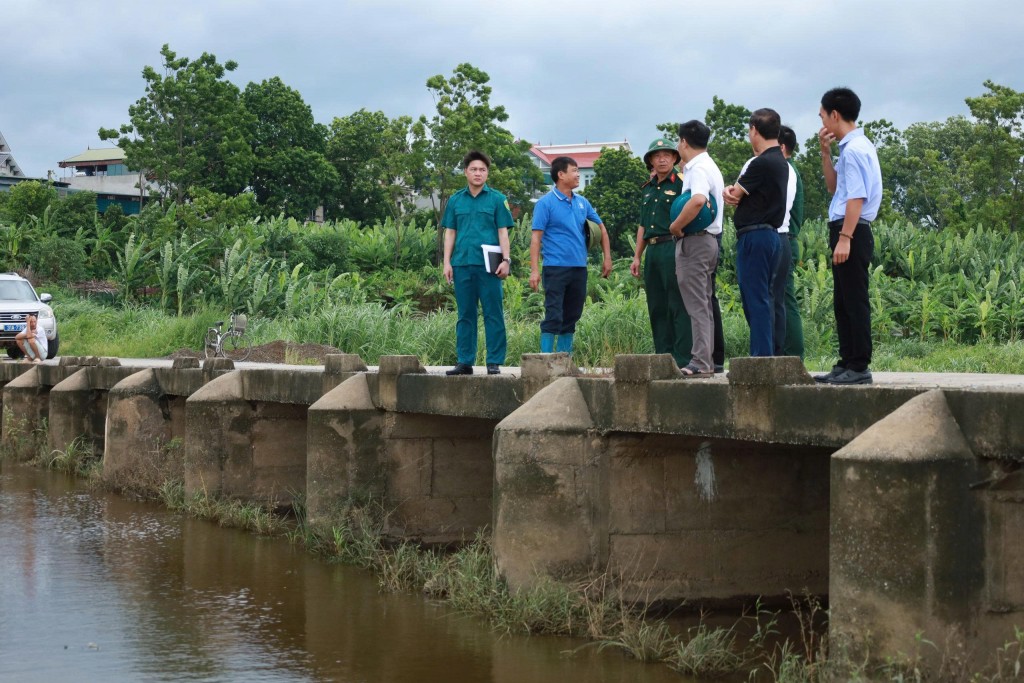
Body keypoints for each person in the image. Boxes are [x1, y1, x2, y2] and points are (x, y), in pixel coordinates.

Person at [815, 87, 882, 385]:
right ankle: (847, 362)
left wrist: (845, 237)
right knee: (842, 301)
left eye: (822, 115)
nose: (821, 122)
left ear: (835, 114)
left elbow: (856, 197)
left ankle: (859, 365)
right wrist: (825, 153)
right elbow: (834, 187)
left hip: (851, 229)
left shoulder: (855, 149)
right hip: (848, 227)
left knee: (854, 300)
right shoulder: (852, 147)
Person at [441, 150, 514, 376]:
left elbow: (503, 232)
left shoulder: (497, 199)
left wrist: (506, 260)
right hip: (462, 264)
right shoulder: (455, 200)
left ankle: (494, 361)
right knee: (465, 314)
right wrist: (446, 263)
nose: (478, 173)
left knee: (493, 312)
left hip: (489, 266)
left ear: (487, 174)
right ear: (465, 172)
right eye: (473, 169)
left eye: (482, 170)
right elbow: (450, 232)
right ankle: (465, 361)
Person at [530, 156, 612, 354]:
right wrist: (534, 270)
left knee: (572, 315)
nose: (577, 175)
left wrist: (607, 257)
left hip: (579, 268)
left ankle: (565, 360)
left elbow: (601, 228)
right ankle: (546, 360)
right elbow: (536, 238)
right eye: (574, 171)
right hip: (555, 267)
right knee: (553, 314)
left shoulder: (582, 202)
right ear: (560, 175)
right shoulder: (545, 203)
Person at [723, 108, 788, 357]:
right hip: (771, 235)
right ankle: (765, 354)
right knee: (763, 297)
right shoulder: (780, 160)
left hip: (755, 236)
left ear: (753, 130)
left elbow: (733, 194)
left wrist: (728, 192)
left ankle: (760, 358)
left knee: (756, 299)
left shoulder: (760, 163)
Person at [668, 120, 725, 377]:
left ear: (683, 142)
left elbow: (699, 200)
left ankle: (700, 362)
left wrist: (676, 227)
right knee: (704, 303)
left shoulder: (698, 169)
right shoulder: (708, 164)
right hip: (710, 240)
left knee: (697, 306)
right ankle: (707, 361)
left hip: (695, 241)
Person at [629, 138, 693, 367]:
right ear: (651, 161)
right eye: (657, 156)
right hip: (653, 251)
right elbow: (643, 226)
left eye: (667, 154)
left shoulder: (682, 184)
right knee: (657, 305)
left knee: (678, 303)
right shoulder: (647, 189)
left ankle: (683, 358)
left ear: (675, 158)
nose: (662, 159)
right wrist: (637, 256)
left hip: (674, 246)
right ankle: (662, 357)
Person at [779, 125, 805, 358]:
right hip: (786, 239)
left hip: (784, 238)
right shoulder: (788, 168)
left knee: (786, 300)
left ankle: (793, 355)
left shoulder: (786, 169)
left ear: (781, 147)